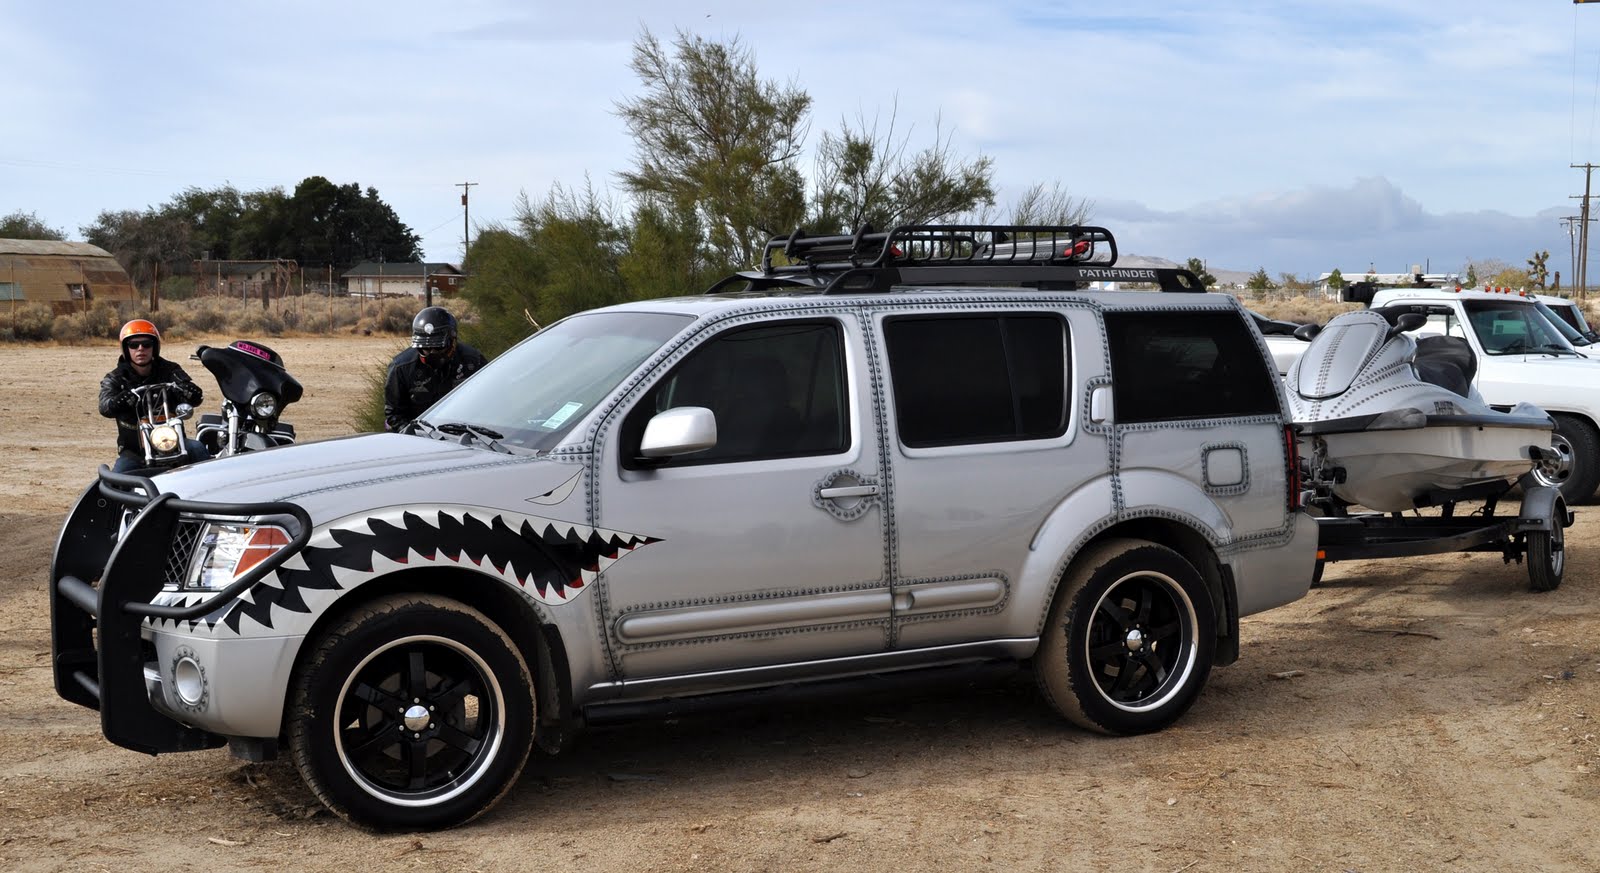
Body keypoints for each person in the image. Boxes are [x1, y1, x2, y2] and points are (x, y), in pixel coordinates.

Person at [99, 319, 210, 472]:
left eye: (146, 344)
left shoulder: (170, 370)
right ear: (126, 348)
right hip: (134, 450)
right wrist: (118, 402)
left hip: (174, 442)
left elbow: (192, 393)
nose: (140, 349)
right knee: (119, 474)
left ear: (154, 347)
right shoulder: (115, 378)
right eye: (133, 345)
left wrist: (189, 391)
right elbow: (104, 405)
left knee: (197, 449)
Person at [384, 306, 487, 432]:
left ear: (453, 342)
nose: (431, 353)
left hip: (464, 434)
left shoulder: (473, 361)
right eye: (425, 348)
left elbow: (485, 403)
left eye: (438, 347)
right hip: (417, 437)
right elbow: (394, 414)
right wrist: (414, 434)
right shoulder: (401, 368)